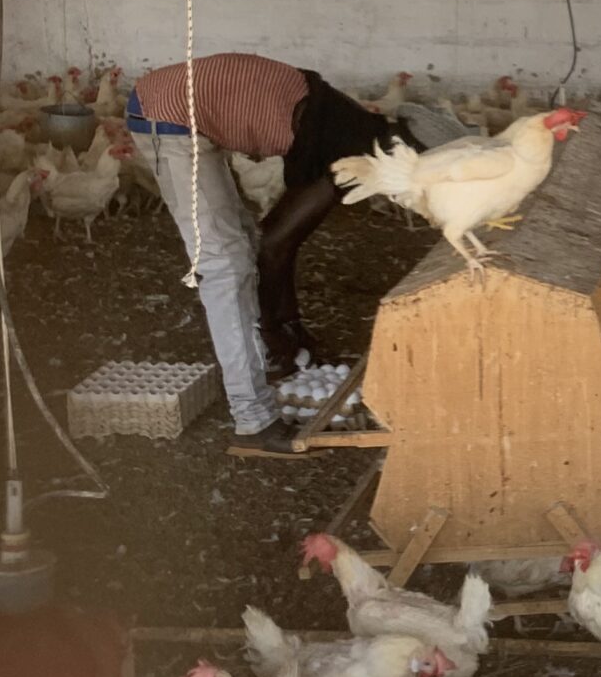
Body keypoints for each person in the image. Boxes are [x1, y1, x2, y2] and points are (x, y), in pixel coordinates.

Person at [126, 53, 412, 456]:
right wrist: (285, 326)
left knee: (240, 246)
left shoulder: (330, 115)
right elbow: (278, 240)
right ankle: (252, 419)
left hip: (185, 108)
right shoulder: (328, 142)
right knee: (225, 266)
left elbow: (272, 241)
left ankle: (266, 360)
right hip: (168, 115)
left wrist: (287, 326)